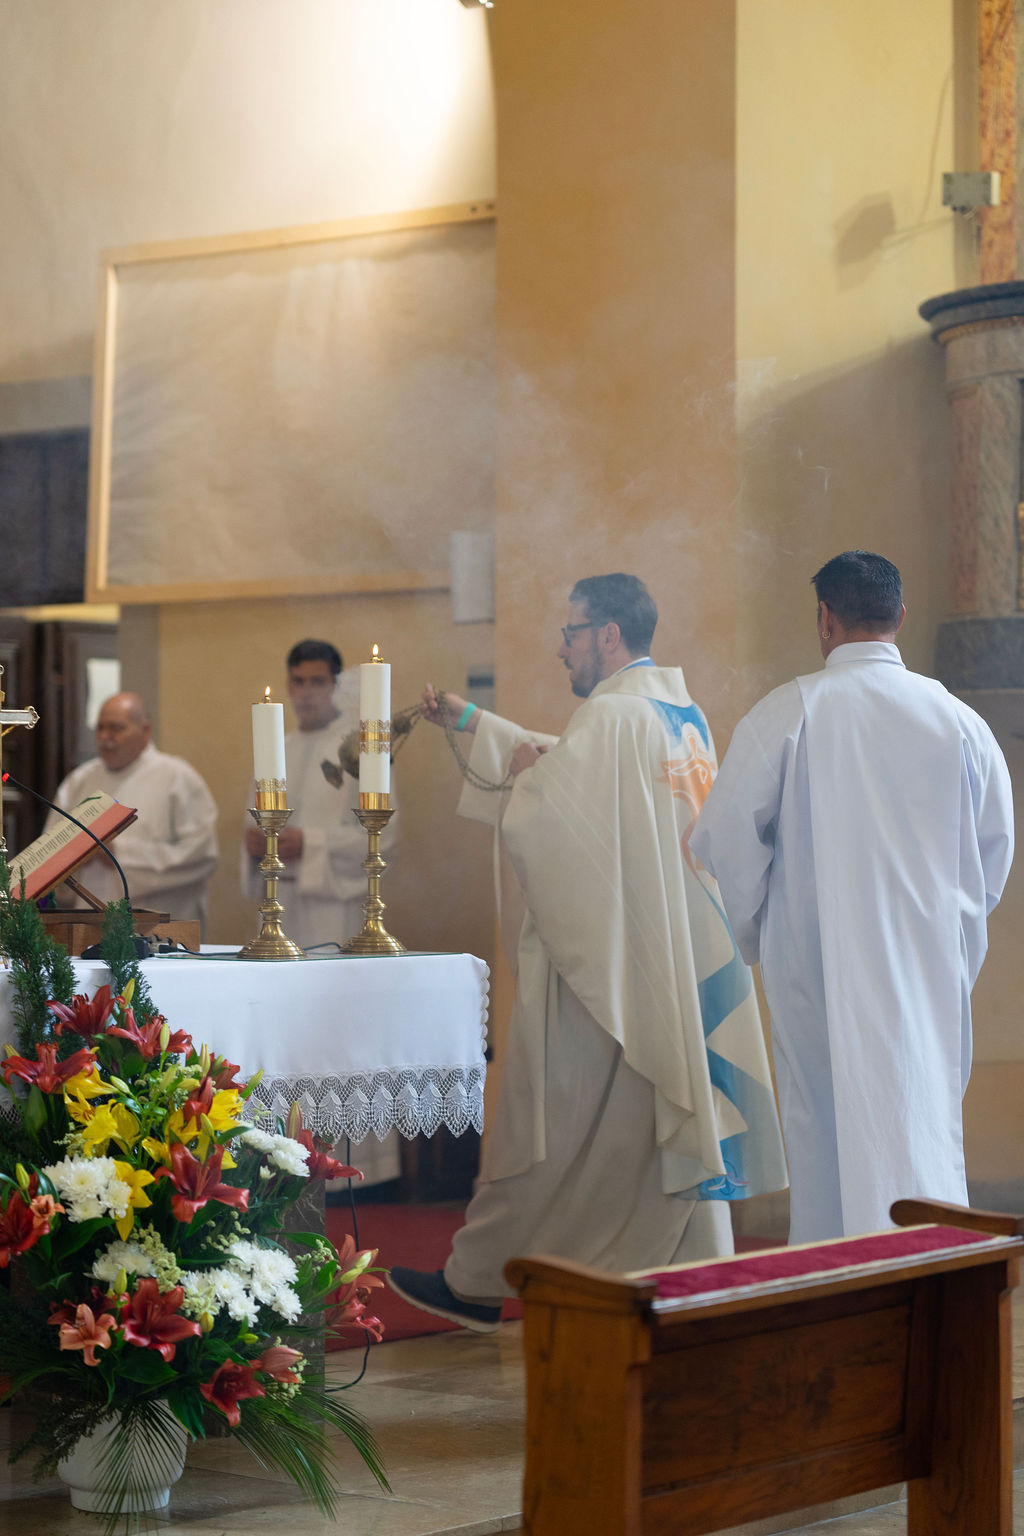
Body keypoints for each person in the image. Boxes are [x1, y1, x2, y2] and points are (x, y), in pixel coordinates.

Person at [388, 573, 787, 1331]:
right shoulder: (675, 712)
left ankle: (479, 1278)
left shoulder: (611, 716)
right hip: (681, 953)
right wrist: (474, 721)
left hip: (618, 964)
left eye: (570, 633)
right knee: (661, 1125)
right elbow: (580, 775)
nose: (561, 648)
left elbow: (556, 805)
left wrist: (525, 788)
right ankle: (691, 1274)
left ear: (607, 634)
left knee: (552, 1128)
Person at [690, 551, 1014, 1244]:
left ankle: (838, 1281)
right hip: (927, 970)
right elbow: (994, 851)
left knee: (825, 1132)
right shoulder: (959, 720)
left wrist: (760, 930)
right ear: (900, 616)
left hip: (816, 969)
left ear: (824, 619)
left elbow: (724, 839)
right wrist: (951, 930)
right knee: (921, 1117)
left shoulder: (787, 713)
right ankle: (929, 1277)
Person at [241, 638, 397, 950]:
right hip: (278, 899)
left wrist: (308, 843)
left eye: (318, 681)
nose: (306, 692)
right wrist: (255, 845)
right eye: (298, 681)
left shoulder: (360, 751)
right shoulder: (277, 747)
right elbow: (257, 818)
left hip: (332, 906)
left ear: (335, 685)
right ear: (289, 685)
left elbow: (384, 834)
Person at [47, 691, 218, 927]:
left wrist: (119, 854)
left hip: (160, 925)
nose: (104, 737)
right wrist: (76, 857)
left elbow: (200, 855)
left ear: (145, 730)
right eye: (100, 728)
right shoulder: (79, 781)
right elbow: (50, 853)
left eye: (116, 728)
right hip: (87, 925)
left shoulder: (178, 778)